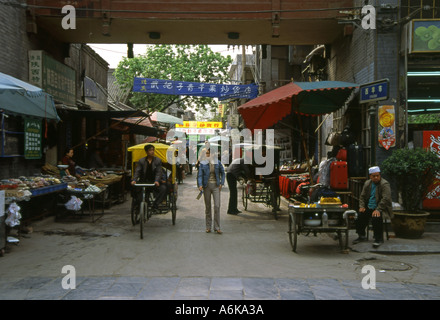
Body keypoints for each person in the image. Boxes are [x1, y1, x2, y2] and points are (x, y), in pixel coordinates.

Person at [353, 166, 393, 248]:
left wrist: (378, 209)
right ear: (370, 176)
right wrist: (362, 206)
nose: (376, 177)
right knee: (359, 216)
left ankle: (378, 239)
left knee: (376, 217)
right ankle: (361, 235)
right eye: (373, 176)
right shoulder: (368, 183)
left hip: (381, 208)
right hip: (369, 207)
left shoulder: (384, 184)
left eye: (377, 175)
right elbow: (362, 197)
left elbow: (386, 199)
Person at [131, 144, 167, 212]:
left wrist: (156, 181)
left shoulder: (158, 160)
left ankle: (155, 205)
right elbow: (137, 171)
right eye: (150, 150)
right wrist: (134, 180)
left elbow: (158, 172)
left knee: (163, 189)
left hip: (154, 182)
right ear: (146, 152)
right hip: (144, 181)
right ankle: (139, 204)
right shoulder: (141, 161)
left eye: (153, 150)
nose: (152, 152)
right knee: (134, 189)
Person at [197, 148, 225, 234]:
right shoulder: (203, 164)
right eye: (207, 154)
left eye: (209, 153)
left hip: (216, 186)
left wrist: (221, 183)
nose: (208, 155)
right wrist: (200, 184)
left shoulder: (218, 162)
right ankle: (208, 226)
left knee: (217, 206)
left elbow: (223, 172)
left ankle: (217, 227)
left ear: (213, 154)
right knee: (208, 207)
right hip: (206, 186)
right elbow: (200, 175)